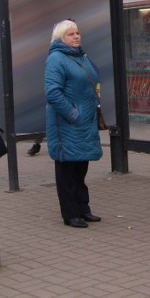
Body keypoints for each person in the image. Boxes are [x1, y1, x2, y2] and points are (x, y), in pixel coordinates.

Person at [45, 19, 103, 229]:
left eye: (77, 33)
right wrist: (73, 114)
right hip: (67, 125)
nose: (76, 36)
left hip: (84, 123)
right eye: (70, 34)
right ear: (60, 38)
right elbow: (53, 92)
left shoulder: (80, 56)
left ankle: (83, 209)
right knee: (67, 171)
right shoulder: (56, 59)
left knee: (80, 168)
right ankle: (70, 214)